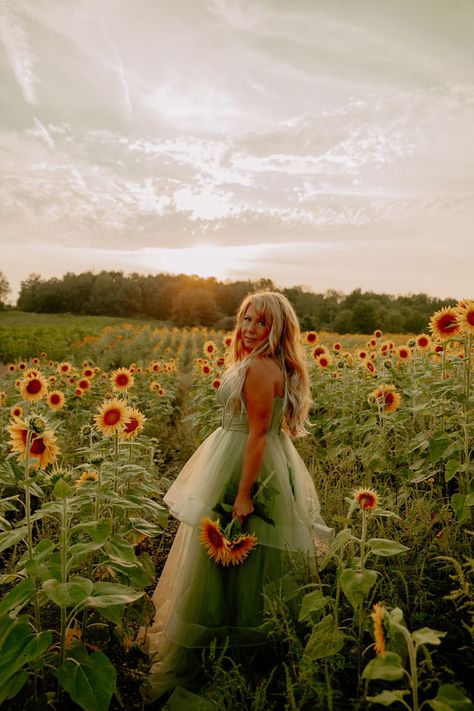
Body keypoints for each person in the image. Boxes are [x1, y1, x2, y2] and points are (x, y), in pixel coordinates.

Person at [139, 290, 332, 702]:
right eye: (246, 318)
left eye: (260, 323)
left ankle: (224, 649)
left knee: (230, 549)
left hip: (245, 463)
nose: (249, 328)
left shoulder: (261, 367)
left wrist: (244, 494)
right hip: (240, 454)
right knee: (240, 555)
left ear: (276, 331)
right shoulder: (260, 363)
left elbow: (259, 434)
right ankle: (237, 641)